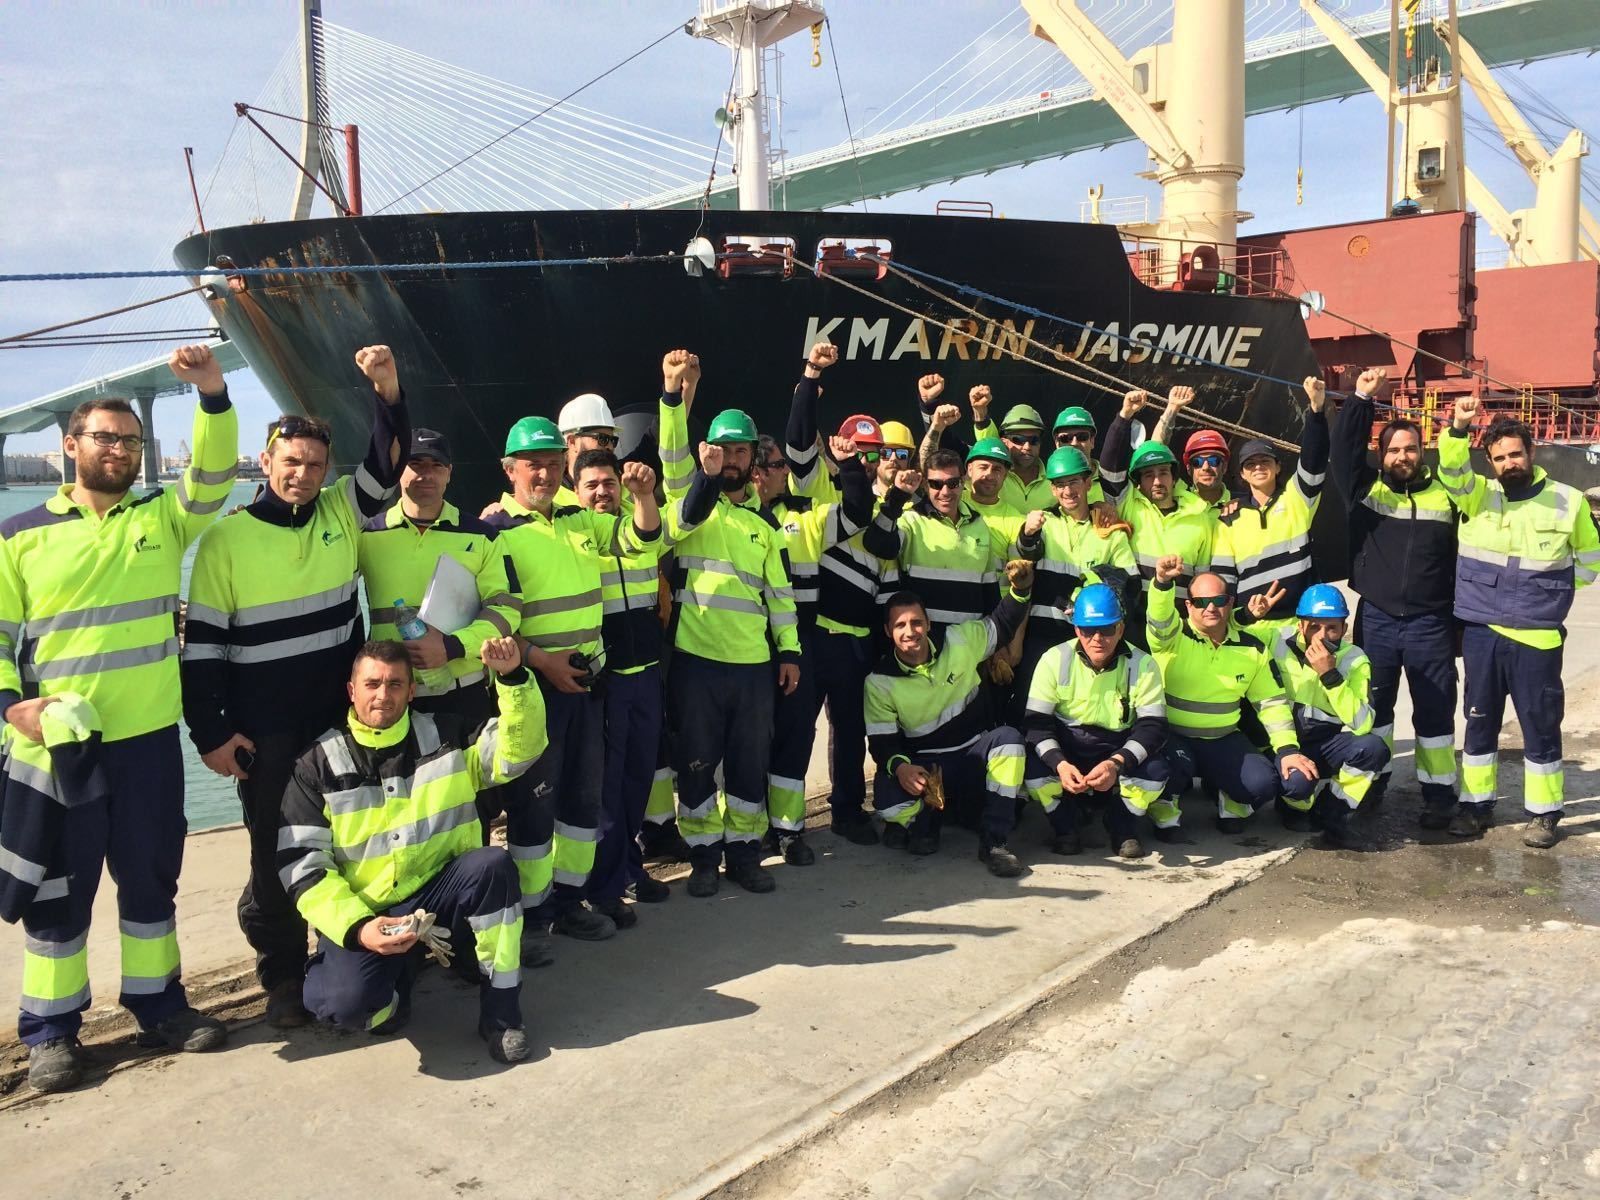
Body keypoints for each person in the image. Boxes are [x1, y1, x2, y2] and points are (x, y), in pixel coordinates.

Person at [0, 344, 239, 1092]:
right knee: (58, 894)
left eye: (131, 441)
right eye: (105, 438)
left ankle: (158, 1004)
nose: (119, 450)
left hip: (145, 744)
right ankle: (51, 1032)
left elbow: (212, 478)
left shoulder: (162, 519)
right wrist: (15, 710)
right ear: (70, 446)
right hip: (56, 751)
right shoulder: (20, 534)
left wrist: (211, 394)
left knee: (149, 883)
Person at [183, 344, 410, 1029]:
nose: (303, 476)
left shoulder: (344, 512)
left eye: (314, 465)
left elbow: (389, 461)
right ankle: (281, 974)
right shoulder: (226, 543)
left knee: (350, 841)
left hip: (338, 723)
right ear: (266, 461)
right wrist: (213, 734)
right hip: (267, 729)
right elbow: (203, 652)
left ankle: (340, 953)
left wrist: (388, 395)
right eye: (291, 464)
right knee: (276, 850)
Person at [277, 637, 545, 1064]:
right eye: (372, 684)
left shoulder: (448, 734)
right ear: (352, 690)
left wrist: (513, 679)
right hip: (370, 913)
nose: (383, 694)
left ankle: (501, 1016)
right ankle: (395, 987)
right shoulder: (315, 764)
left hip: (442, 897)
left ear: (412, 690)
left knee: (493, 865)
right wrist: (359, 928)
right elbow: (301, 867)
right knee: (343, 1006)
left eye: (395, 684)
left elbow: (519, 751)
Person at [485, 416, 661, 950]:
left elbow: (641, 538)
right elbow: (493, 615)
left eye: (551, 463)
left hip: (587, 685)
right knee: (535, 805)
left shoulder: (579, 519)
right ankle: (533, 919)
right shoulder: (494, 530)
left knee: (583, 802)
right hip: (537, 690)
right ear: (510, 469)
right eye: (532, 465)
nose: (543, 474)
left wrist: (645, 495)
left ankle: (570, 901)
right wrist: (543, 662)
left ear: (565, 462)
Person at [1437, 397, 1600, 848]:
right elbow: (1451, 470)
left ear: (1531, 452)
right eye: (1500, 457)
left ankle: (1544, 815)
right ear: (1489, 463)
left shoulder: (1567, 502)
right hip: (1482, 633)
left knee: (1540, 723)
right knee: (1479, 721)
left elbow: (1590, 561)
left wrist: (1550, 594)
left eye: (1516, 453)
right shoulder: (1477, 496)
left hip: (1538, 635)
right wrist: (1458, 427)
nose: (1510, 462)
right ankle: (1474, 807)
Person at [660, 398, 801, 896]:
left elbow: (780, 597)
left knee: (746, 764)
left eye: (740, 452)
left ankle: (744, 854)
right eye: (722, 452)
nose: (732, 461)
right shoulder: (691, 511)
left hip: (752, 667)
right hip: (696, 663)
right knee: (696, 762)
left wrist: (790, 653)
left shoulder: (766, 529)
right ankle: (703, 857)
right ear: (707, 456)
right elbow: (673, 460)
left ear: (753, 461)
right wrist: (673, 398)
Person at [777, 343, 898, 846]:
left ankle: (848, 810)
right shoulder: (818, 490)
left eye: (872, 454)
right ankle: (782, 824)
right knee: (796, 732)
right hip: (813, 638)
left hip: (858, 644)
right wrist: (809, 378)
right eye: (854, 449)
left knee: (852, 734)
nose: (864, 461)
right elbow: (798, 443)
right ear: (837, 446)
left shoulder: (892, 510)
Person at [1329, 367, 1461, 828]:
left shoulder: (1447, 499)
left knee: (1435, 710)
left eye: (1409, 449)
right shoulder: (1367, 492)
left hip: (1430, 622)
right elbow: (1342, 453)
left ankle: (1439, 795)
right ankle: (1372, 784)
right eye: (1393, 450)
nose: (1402, 456)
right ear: (1381, 455)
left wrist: (1457, 623)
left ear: (1421, 452)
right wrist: (1361, 400)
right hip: (1379, 619)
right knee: (1374, 710)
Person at [864, 563, 1035, 877]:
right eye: (900, 625)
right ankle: (930, 824)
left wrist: (1020, 591)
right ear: (889, 632)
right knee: (886, 801)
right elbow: (882, 743)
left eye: (916, 622)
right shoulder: (878, 682)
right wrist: (902, 768)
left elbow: (1002, 624)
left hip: (971, 755)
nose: (909, 631)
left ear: (928, 624)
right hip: (927, 766)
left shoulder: (958, 640)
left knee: (1010, 741)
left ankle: (994, 843)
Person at [570, 448, 675, 924]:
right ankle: (603, 887)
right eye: (590, 484)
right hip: (606, 681)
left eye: (608, 482)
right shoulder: (571, 532)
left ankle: (630, 866)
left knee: (637, 781)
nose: (601, 491)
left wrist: (644, 492)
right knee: (606, 792)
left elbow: (649, 532)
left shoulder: (634, 522)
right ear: (576, 491)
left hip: (646, 673)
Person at [1146, 557, 1317, 834]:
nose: (1210, 607)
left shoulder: (1253, 649)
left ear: (1230, 602)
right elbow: (1159, 618)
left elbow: (1271, 704)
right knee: (1162, 769)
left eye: (1218, 600)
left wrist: (1288, 751)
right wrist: (1162, 584)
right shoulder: (1171, 638)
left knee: (1263, 783)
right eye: (1201, 602)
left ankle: (1230, 799)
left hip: (1222, 738)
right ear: (1188, 606)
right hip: (1172, 737)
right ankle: (1164, 805)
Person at [358, 427, 521, 715]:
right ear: (399, 471)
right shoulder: (367, 535)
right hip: (389, 696)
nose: (426, 474)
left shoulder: (484, 536)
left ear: (449, 473)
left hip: (463, 692)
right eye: (416, 464)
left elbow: (507, 608)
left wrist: (453, 646)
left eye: (436, 466)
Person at [1023, 583, 1169, 860]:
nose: (1097, 638)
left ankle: (1121, 826)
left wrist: (1116, 763)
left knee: (1156, 770)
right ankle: (1065, 827)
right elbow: (1035, 725)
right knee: (1031, 766)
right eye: (1088, 630)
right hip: (1069, 748)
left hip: (1117, 748)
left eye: (1107, 629)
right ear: (1077, 630)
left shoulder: (1144, 664)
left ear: (1121, 629)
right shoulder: (1053, 660)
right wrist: (1060, 763)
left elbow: (1153, 728)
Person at [1011, 445, 1137, 714]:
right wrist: (1027, 533)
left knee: (1084, 710)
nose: (1068, 491)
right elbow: (1025, 554)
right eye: (1060, 484)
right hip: (1042, 636)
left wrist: (1086, 593)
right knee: (1032, 709)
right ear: (1053, 490)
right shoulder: (1042, 523)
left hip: (1092, 637)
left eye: (1074, 482)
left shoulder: (1109, 530)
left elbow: (1130, 584)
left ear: (1088, 483)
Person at [1268, 585, 1389, 849]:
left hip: (1322, 743)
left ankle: (1332, 811)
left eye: (1331, 628)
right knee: (1297, 786)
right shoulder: (1276, 640)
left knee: (1373, 748)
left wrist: (1330, 677)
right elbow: (1230, 631)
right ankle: (1292, 806)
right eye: (1314, 627)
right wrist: (1249, 614)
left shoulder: (1355, 660)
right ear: (1300, 625)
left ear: (1344, 629)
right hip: (1280, 743)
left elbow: (1363, 723)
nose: (1321, 637)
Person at [1210, 376, 1330, 637]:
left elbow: (1313, 460)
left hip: (1298, 625)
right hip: (1252, 628)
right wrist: (1239, 618)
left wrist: (1316, 412)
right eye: (1250, 464)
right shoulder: (1229, 519)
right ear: (1242, 474)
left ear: (1278, 467)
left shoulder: (1297, 500)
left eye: (1265, 461)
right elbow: (1224, 580)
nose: (1258, 467)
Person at [865, 444, 1018, 636]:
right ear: (925, 485)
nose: (945, 491)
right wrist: (897, 497)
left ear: (963, 481)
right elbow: (878, 545)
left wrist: (996, 642)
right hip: (922, 642)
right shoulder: (910, 520)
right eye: (936, 484)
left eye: (952, 483)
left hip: (969, 643)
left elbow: (990, 593)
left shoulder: (979, 524)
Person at [554, 391, 620, 508]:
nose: (609, 446)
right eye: (602, 439)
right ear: (572, 442)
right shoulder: (552, 498)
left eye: (613, 440)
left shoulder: (628, 480)